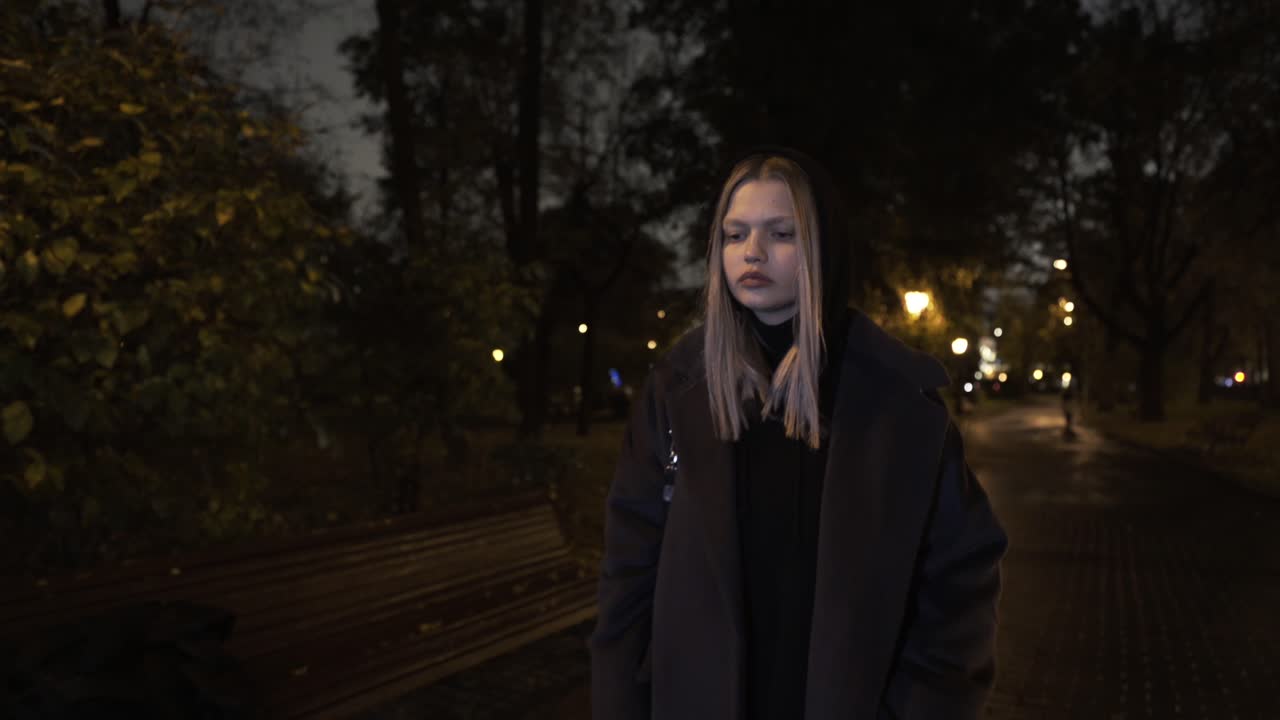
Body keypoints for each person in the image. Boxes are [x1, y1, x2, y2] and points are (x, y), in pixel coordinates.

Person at [588, 145, 1009, 720]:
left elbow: (960, 580)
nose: (752, 252)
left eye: (780, 233)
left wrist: (923, 705)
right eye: (734, 235)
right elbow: (629, 568)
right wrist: (621, 700)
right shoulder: (677, 390)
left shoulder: (895, 403)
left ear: (821, 248)